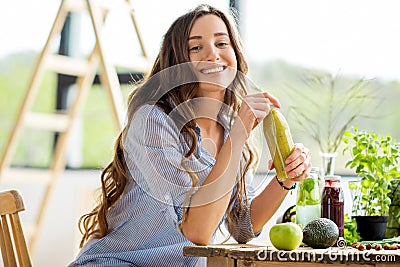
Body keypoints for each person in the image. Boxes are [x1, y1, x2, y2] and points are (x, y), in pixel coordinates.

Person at [68, 4, 311, 267]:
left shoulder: (229, 126)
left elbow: (243, 225)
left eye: (222, 43)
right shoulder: (154, 121)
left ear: (236, 55)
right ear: (177, 63)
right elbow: (196, 233)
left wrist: (285, 178)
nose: (213, 55)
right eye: (196, 48)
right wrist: (239, 133)